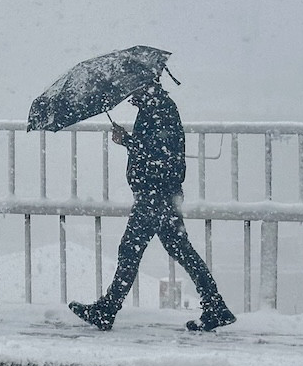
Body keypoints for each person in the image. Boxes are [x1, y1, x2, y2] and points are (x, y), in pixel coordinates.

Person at [69, 82, 236, 332]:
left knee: (132, 249)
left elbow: (159, 155)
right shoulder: (156, 107)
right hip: (160, 193)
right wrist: (130, 141)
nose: (128, 95)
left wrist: (128, 141)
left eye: (132, 90)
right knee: (177, 248)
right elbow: (157, 151)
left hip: (156, 193)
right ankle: (215, 306)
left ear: (142, 87)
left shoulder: (159, 110)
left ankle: (108, 309)